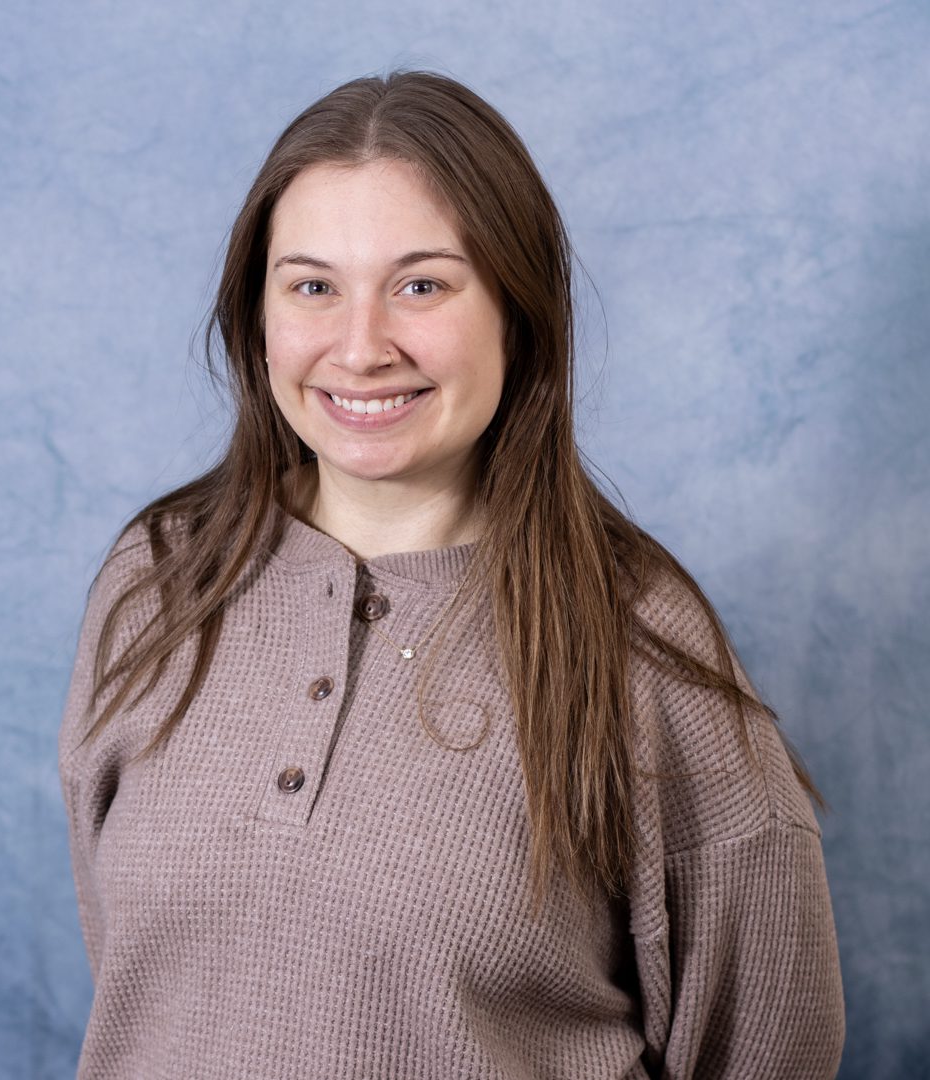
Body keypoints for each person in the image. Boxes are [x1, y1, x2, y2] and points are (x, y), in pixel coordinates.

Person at [59, 71, 845, 1079]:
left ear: (517, 309)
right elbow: (142, 986)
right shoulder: (160, 583)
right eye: (312, 286)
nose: (360, 346)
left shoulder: (638, 638)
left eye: (421, 284)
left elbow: (767, 1045)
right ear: (257, 316)